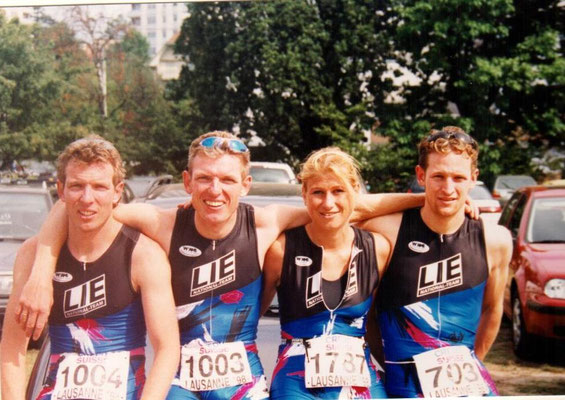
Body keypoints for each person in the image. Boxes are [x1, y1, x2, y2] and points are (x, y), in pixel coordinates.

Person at [16, 131, 427, 400]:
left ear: (245, 185)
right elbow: (83, 204)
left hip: (242, 380)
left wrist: (431, 199)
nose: (215, 190)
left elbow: (354, 205)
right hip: (179, 381)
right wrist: (41, 268)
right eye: (205, 179)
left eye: (228, 180)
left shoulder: (265, 223)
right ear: (188, 181)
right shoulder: (162, 223)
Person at [0, 135, 179, 400]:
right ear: (60, 190)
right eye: (76, 186)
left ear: (117, 192)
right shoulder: (32, 255)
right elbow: (12, 348)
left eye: (99, 187)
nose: (87, 198)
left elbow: (167, 348)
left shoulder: (143, 255)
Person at [359, 126, 512, 398]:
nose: (449, 188)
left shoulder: (496, 240)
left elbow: (491, 310)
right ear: (421, 175)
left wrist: (473, 360)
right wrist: (421, 199)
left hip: (468, 383)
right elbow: (347, 212)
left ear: (473, 179)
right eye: (438, 176)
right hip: (403, 381)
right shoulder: (387, 231)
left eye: (458, 178)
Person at [261, 148, 391, 399]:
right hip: (296, 379)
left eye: (338, 191)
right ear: (304, 195)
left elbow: (375, 318)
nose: (328, 203)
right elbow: (247, 321)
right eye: (318, 192)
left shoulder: (377, 249)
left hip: (359, 376)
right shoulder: (281, 250)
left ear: (355, 191)